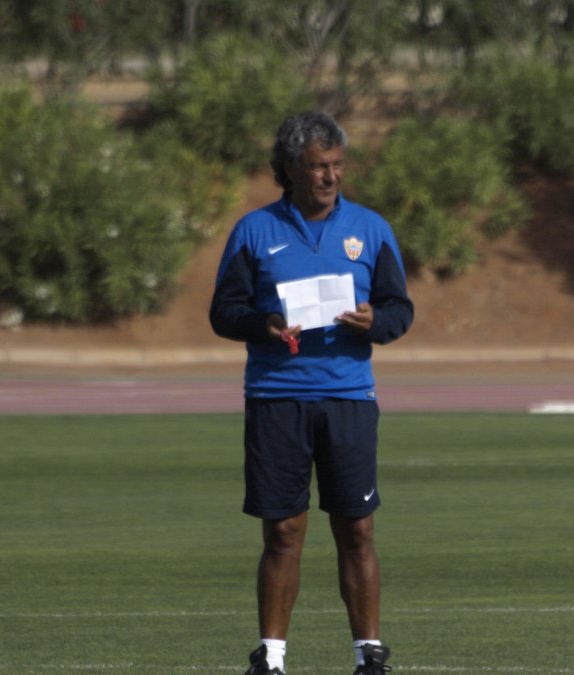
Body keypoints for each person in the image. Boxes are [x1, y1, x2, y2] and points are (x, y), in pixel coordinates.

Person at [210, 111, 413, 675]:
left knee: (357, 527)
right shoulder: (254, 231)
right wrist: (265, 324)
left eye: (337, 165)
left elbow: (400, 311)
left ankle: (369, 653)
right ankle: (271, 657)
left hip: (348, 397)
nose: (330, 176)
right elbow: (223, 312)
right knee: (283, 529)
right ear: (291, 169)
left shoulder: (370, 230)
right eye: (318, 166)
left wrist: (374, 320)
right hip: (276, 397)